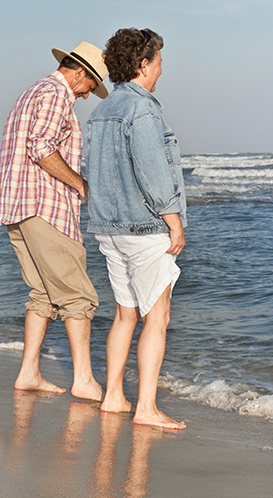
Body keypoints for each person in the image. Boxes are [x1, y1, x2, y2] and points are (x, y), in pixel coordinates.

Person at [0, 41, 109, 400]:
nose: (88, 96)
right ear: (79, 72)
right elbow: (41, 147)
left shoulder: (31, 92)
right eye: (91, 86)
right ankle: (84, 380)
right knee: (77, 295)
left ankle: (28, 373)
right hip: (45, 206)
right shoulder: (57, 95)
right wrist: (82, 185)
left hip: (17, 205)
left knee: (42, 293)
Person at [83, 28, 188, 430]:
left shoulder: (100, 112)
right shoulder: (142, 111)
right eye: (158, 61)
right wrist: (174, 222)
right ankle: (145, 407)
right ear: (143, 65)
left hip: (109, 228)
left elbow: (96, 171)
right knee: (156, 316)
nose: (162, 68)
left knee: (125, 314)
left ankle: (112, 397)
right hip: (144, 228)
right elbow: (153, 173)